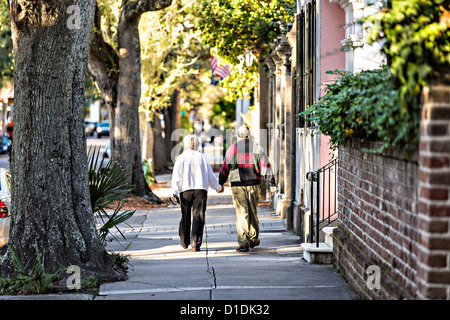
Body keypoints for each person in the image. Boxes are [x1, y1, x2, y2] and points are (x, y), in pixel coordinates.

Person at [219, 124, 276, 252]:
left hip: (237, 185)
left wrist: (221, 183)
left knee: (242, 213)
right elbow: (265, 166)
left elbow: (225, 167)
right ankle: (253, 238)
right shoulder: (257, 148)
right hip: (254, 184)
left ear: (237, 136)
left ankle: (244, 242)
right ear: (248, 135)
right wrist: (271, 183)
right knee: (252, 211)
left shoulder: (232, 149)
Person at [171, 134, 223, 252]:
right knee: (198, 216)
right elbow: (210, 176)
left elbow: (176, 177)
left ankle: (184, 241)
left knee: (185, 216)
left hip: (185, 190)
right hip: (200, 190)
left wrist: (174, 192)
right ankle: (196, 244)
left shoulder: (181, 158)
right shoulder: (202, 157)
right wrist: (218, 187)